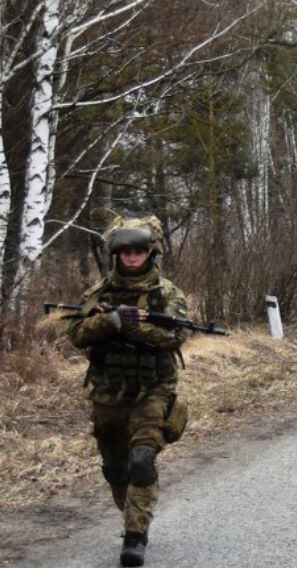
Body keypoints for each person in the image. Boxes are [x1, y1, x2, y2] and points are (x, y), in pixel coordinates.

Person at [64, 216, 193, 567]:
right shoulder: (99, 293)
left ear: (149, 254)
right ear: (116, 255)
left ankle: (136, 535)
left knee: (141, 460)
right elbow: (76, 334)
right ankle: (132, 514)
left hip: (153, 389)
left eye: (138, 251)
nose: (132, 258)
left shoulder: (166, 294)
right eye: (126, 252)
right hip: (108, 392)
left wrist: (138, 328)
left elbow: (176, 338)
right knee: (115, 467)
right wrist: (113, 321)